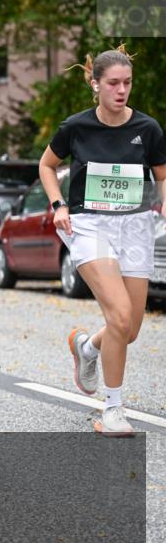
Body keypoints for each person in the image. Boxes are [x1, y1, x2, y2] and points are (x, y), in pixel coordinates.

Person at [39, 45, 166, 438]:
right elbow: (47, 165)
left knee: (129, 330)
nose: (121, 90)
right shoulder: (76, 127)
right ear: (96, 84)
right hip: (90, 226)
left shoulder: (148, 129)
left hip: (136, 227)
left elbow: (162, 176)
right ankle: (112, 409)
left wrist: (163, 201)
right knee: (120, 316)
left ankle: (87, 348)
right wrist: (58, 204)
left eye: (127, 83)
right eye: (113, 83)